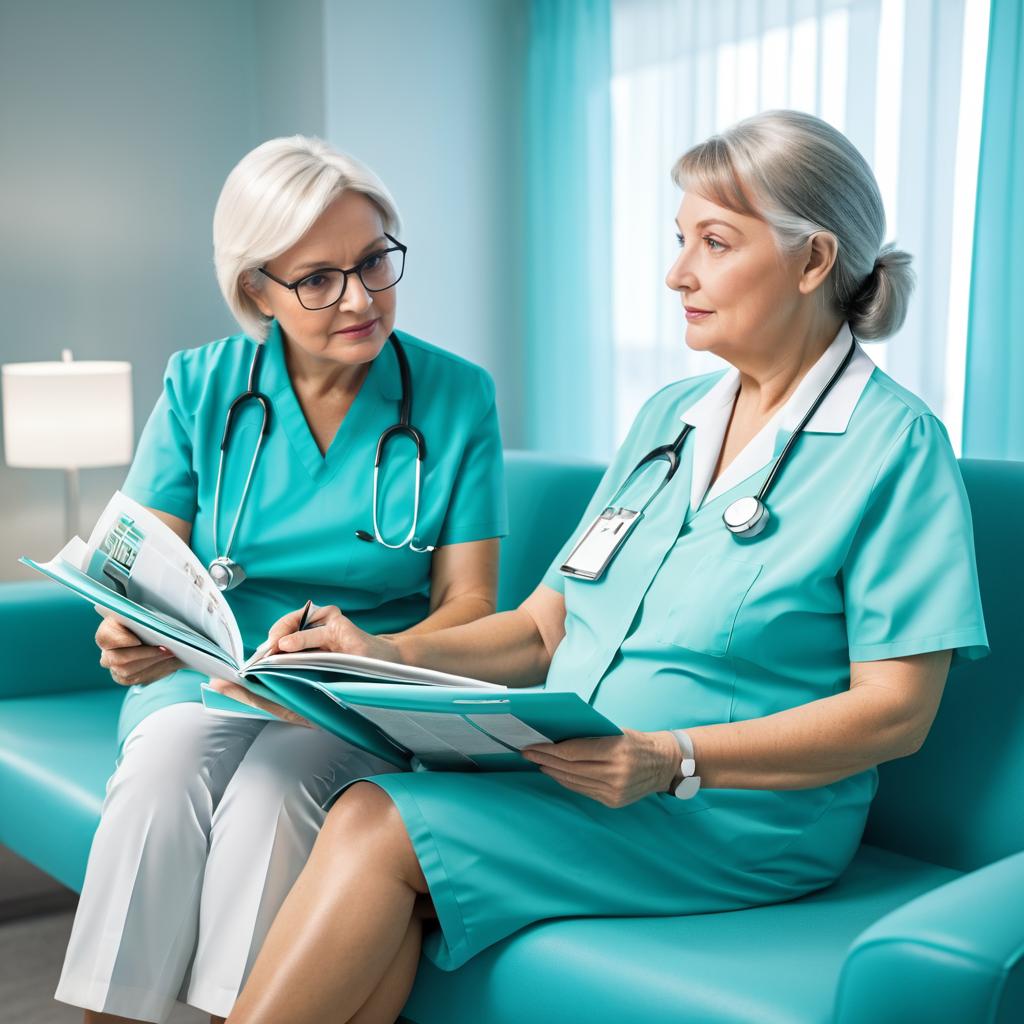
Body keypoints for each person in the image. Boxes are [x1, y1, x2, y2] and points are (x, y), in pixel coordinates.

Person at [218, 110, 990, 1024]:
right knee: (375, 846)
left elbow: (897, 712)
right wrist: (375, 653)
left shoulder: (895, 447)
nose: (678, 274)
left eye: (714, 242)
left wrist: (676, 758)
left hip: (734, 815)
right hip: (577, 772)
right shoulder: (670, 417)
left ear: (814, 260)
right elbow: (548, 626)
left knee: (378, 822)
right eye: (679, 240)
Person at [54, 135, 507, 1024]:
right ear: (255, 287)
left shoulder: (457, 395)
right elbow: (143, 568)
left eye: (375, 262)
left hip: (358, 695)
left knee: (274, 789)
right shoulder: (201, 385)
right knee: (160, 773)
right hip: (204, 682)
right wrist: (128, 632)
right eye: (318, 279)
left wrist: (380, 654)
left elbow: (471, 606)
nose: (360, 298)